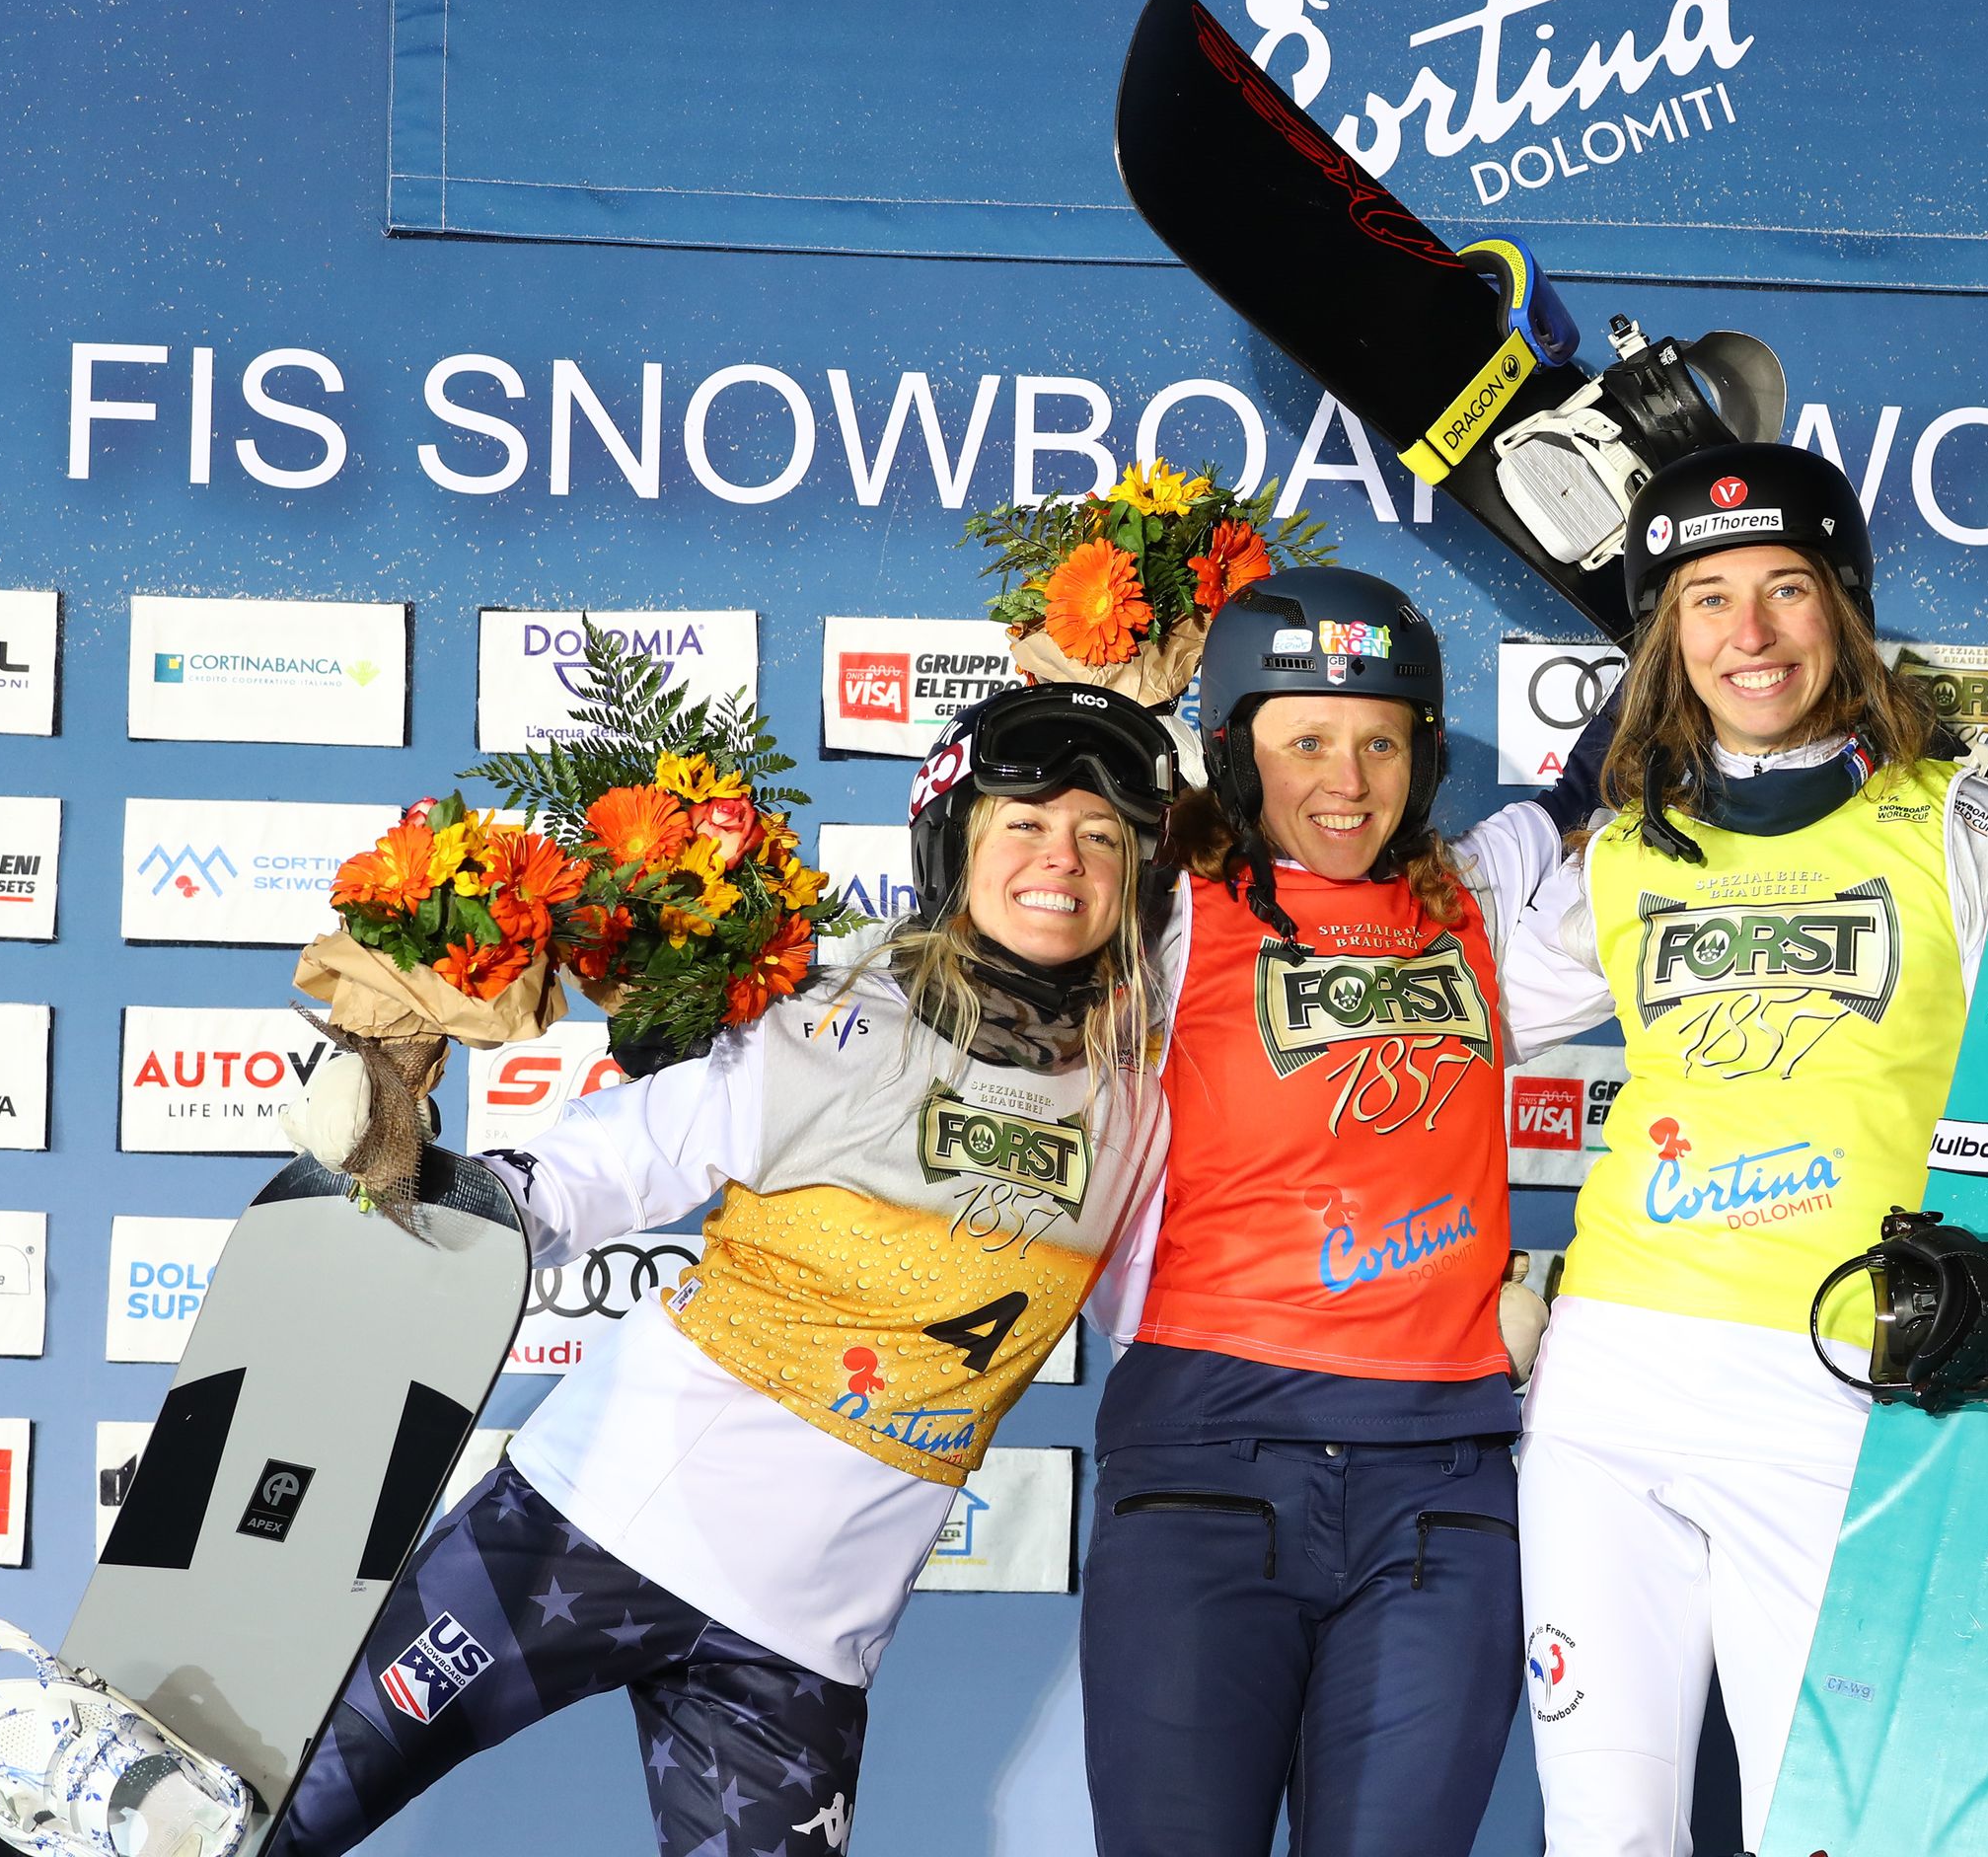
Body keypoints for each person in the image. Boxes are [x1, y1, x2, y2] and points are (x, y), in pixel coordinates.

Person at [263, 684, 1183, 1857]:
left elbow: (1181, 1300)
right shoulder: (838, 1013)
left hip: (803, 1644)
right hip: (583, 1533)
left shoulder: (1138, 1101)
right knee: (266, 1821)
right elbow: (605, 1165)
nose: (1064, 858)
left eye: (1102, 836)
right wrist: (417, 1179)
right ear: (955, 841)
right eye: (1025, 823)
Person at [1492, 442, 1988, 1854]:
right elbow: (1423, 1036)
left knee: (1824, 1834)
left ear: (1846, 607)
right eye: (1705, 600)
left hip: (1836, 1389)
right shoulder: (1628, 853)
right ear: (1665, 634)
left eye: (1783, 590)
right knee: (1603, 1838)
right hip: (1607, 1392)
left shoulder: (1956, 824)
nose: (1747, 635)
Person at [1077, 568, 1587, 1857]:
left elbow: (1621, 813)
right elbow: (967, 975)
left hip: (1442, 1494)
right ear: (1230, 749)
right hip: (1209, 1468)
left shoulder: (1477, 902)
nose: (1348, 781)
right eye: (1305, 740)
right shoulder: (1163, 918)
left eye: (1380, 741)